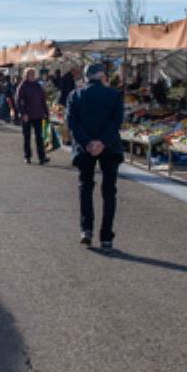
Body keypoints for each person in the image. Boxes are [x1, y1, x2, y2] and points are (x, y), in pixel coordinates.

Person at [67, 62, 123, 250]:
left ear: (86, 77)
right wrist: (103, 142)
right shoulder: (114, 95)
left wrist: (88, 143)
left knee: (85, 187)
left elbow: (72, 123)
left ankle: (86, 229)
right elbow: (116, 122)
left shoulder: (75, 95)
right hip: (109, 147)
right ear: (102, 76)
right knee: (109, 191)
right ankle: (106, 236)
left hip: (85, 148)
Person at [16, 67, 50, 165]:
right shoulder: (22, 86)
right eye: (30, 74)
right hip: (27, 115)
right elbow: (19, 101)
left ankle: (42, 157)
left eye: (33, 74)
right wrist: (23, 113)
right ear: (26, 75)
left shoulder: (38, 86)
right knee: (27, 137)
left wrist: (46, 112)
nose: (32, 76)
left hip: (38, 114)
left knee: (40, 137)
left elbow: (43, 99)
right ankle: (27, 156)